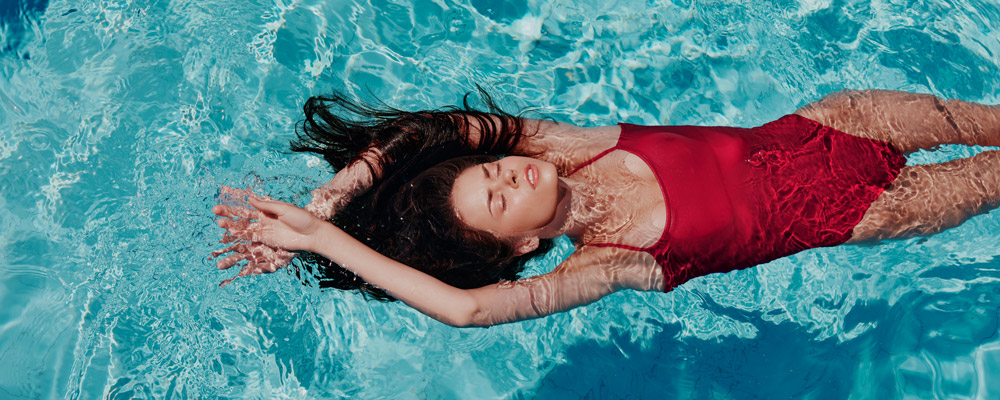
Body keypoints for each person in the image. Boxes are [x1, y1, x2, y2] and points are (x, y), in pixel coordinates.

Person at [211, 89, 1000, 327]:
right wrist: (328, 242)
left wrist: (337, 193)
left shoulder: (568, 148)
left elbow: (434, 128)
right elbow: (466, 311)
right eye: (496, 199)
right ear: (518, 249)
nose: (510, 177)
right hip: (872, 208)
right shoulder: (611, 262)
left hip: (841, 123)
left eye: (494, 169)